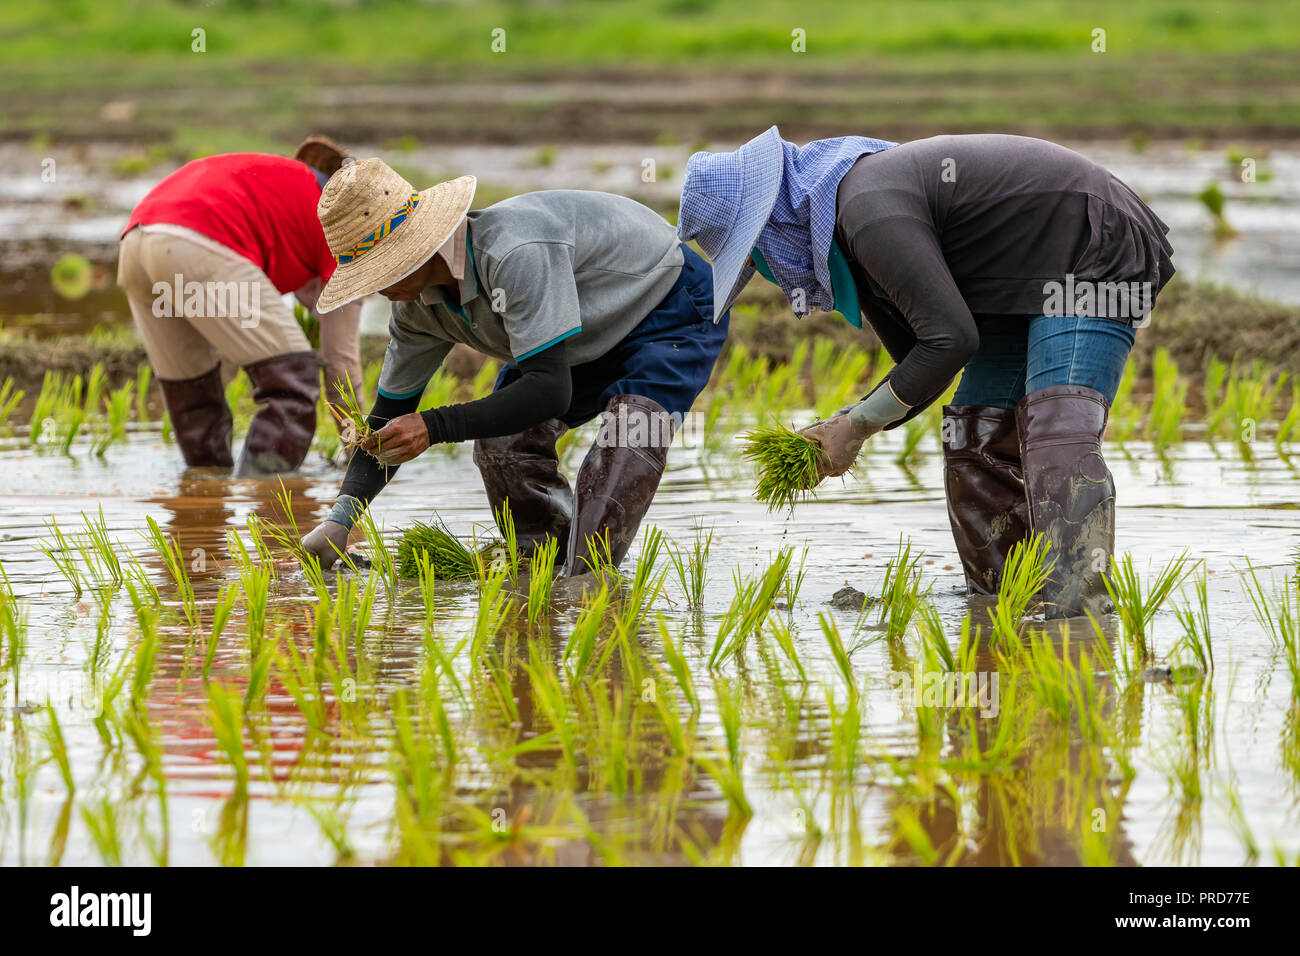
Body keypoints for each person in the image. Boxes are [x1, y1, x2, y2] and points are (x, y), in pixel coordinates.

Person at [677, 129, 1175, 618]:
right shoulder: (849, 230)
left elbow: (950, 341)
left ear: (773, 224)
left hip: (1090, 243)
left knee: (1058, 432)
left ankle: (1080, 616)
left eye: (755, 255)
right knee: (974, 433)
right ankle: (1001, 607)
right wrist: (848, 424)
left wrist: (857, 425)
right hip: (1017, 279)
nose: (768, 271)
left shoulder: (867, 211)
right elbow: (924, 357)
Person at [299, 158, 728, 574]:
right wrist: (340, 520)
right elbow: (387, 419)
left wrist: (433, 427)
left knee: (627, 442)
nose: (375, 289)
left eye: (379, 274)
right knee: (503, 444)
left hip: (667, 302)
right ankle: (542, 571)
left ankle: (589, 584)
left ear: (414, 252)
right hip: (576, 331)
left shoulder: (511, 252)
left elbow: (549, 391)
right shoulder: (417, 308)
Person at [116, 136, 365, 474]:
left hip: (136, 242)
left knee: (194, 394)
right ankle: (268, 499)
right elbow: (341, 367)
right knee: (292, 382)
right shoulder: (346, 234)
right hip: (197, 240)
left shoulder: (286, 189)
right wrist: (359, 451)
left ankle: (203, 496)